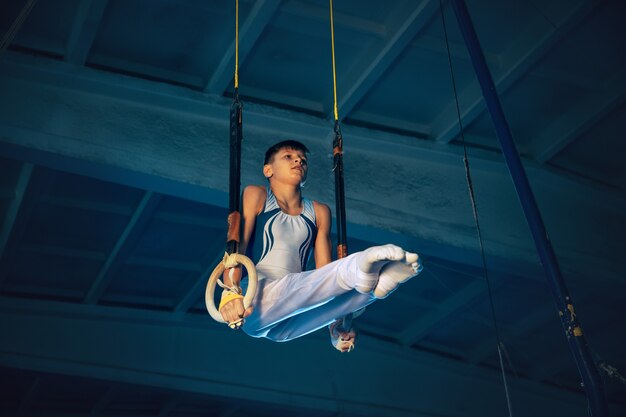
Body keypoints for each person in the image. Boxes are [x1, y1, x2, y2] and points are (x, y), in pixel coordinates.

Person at [218, 140, 422, 352]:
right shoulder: (257, 194)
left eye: (303, 160)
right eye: (288, 156)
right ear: (268, 170)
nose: (298, 160)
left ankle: (377, 288)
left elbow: (324, 274)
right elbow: (236, 247)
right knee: (287, 315)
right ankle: (362, 272)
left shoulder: (319, 212)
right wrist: (231, 293)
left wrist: (336, 325)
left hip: (292, 302)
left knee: (297, 320)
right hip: (256, 294)